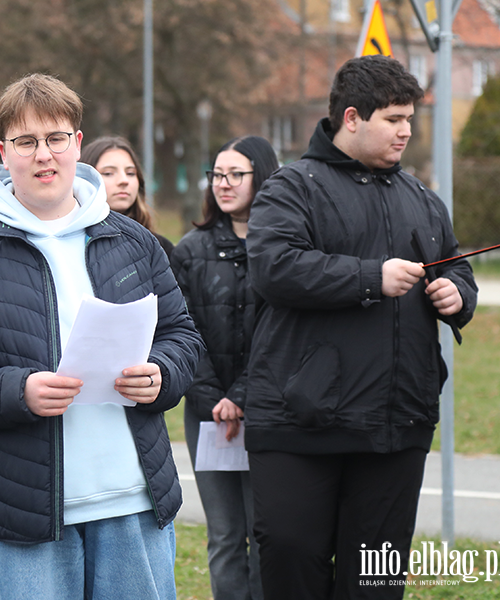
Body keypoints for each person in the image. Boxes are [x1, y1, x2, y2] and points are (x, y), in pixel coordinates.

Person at [0, 73, 204, 600]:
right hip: (24, 509)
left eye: (56, 138)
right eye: (26, 141)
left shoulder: (132, 241)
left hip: (133, 498)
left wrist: (161, 375)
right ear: (4, 152)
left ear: (78, 144)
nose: (44, 155)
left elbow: (181, 335)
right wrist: (19, 391)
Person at [244, 55, 477, 599]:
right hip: (300, 424)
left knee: (373, 583)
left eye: (410, 119)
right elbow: (274, 267)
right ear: (352, 117)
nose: (406, 131)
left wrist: (456, 293)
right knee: (291, 558)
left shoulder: (422, 198)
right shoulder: (291, 187)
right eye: (394, 119)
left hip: (397, 424)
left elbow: (455, 265)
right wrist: (370, 277)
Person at [170, 135, 278, 600]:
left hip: (271, 411)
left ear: (263, 177)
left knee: (267, 533)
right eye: (217, 175)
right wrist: (217, 400)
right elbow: (178, 329)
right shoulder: (190, 250)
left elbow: (283, 335)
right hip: (207, 415)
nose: (224, 184)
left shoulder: (283, 248)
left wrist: (244, 397)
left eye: (236, 174)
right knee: (226, 536)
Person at [81, 136, 175, 257]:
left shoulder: (161, 248)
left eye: (130, 173)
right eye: (108, 173)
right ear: (86, 180)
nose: (124, 180)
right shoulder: (71, 245)